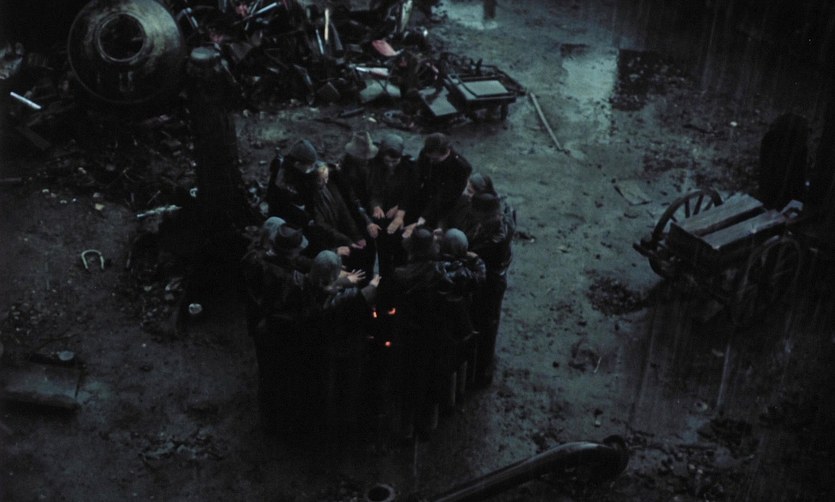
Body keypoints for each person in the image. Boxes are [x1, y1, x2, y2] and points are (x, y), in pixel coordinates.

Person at [298, 250, 380, 436]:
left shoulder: (301, 284)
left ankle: (321, 422)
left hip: (316, 346)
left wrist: (341, 281)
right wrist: (372, 286)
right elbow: (358, 301)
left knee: (323, 386)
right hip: (343, 347)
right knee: (346, 387)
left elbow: (321, 288)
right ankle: (343, 427)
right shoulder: (346, 298)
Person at [377, 227, 444, 440]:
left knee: (405, 382)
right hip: (431, 334)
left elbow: (383, 301)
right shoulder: (440, 272)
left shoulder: (399, 276)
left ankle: (405, 430)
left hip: (405, 335)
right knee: (428, 379)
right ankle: (427, 425)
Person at [464, 192, 514, 387]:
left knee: (486, 324)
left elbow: (472, 251)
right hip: (497, 276)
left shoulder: (494, 238)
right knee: (489, 322)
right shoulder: (503, 219)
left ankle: (483, 371)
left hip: (491, 283)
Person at [435, 228, 486, 408]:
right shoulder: (463, 273)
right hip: (459, 324)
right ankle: (456, 397)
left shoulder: (435, 269)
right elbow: (480, 277)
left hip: (439, 324)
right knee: (458, 362)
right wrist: (476, 260)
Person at [390, 132, 472, 237]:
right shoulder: (426, 154)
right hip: (425, 195)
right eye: (429, 158)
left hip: (444, 207)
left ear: (446, 152)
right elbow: (415, 181)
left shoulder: (460, 168)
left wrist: (422, 221)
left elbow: (445, 197)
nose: (431, 161)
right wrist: (401, 210)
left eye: (435, 159)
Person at [368, 133, 418, 276]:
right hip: (382, 216)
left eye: (394, 161)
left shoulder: (409, 167)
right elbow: (373, 190)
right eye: (387, 161)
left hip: (401, 215)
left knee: (401, 250)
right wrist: (376, 206)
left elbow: (411, 192)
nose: (390, 165)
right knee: (383, 251)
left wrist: (399, 208)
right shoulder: (376, 166)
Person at [266, 139, 319, 231]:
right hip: (284, 219)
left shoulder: (306, 174)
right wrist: (305, 218)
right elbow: (277, 204)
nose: (312, 168)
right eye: (310, 166)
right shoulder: (281, 176)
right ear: (297, 164)